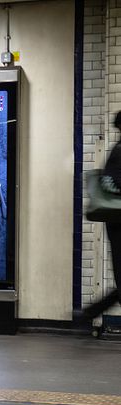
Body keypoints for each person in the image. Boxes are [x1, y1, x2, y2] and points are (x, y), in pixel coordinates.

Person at [83, 111, 121, 322]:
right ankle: (93, 311)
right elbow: (110, 183)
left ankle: (93, 311)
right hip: (118, 224)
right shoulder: (119, 152)